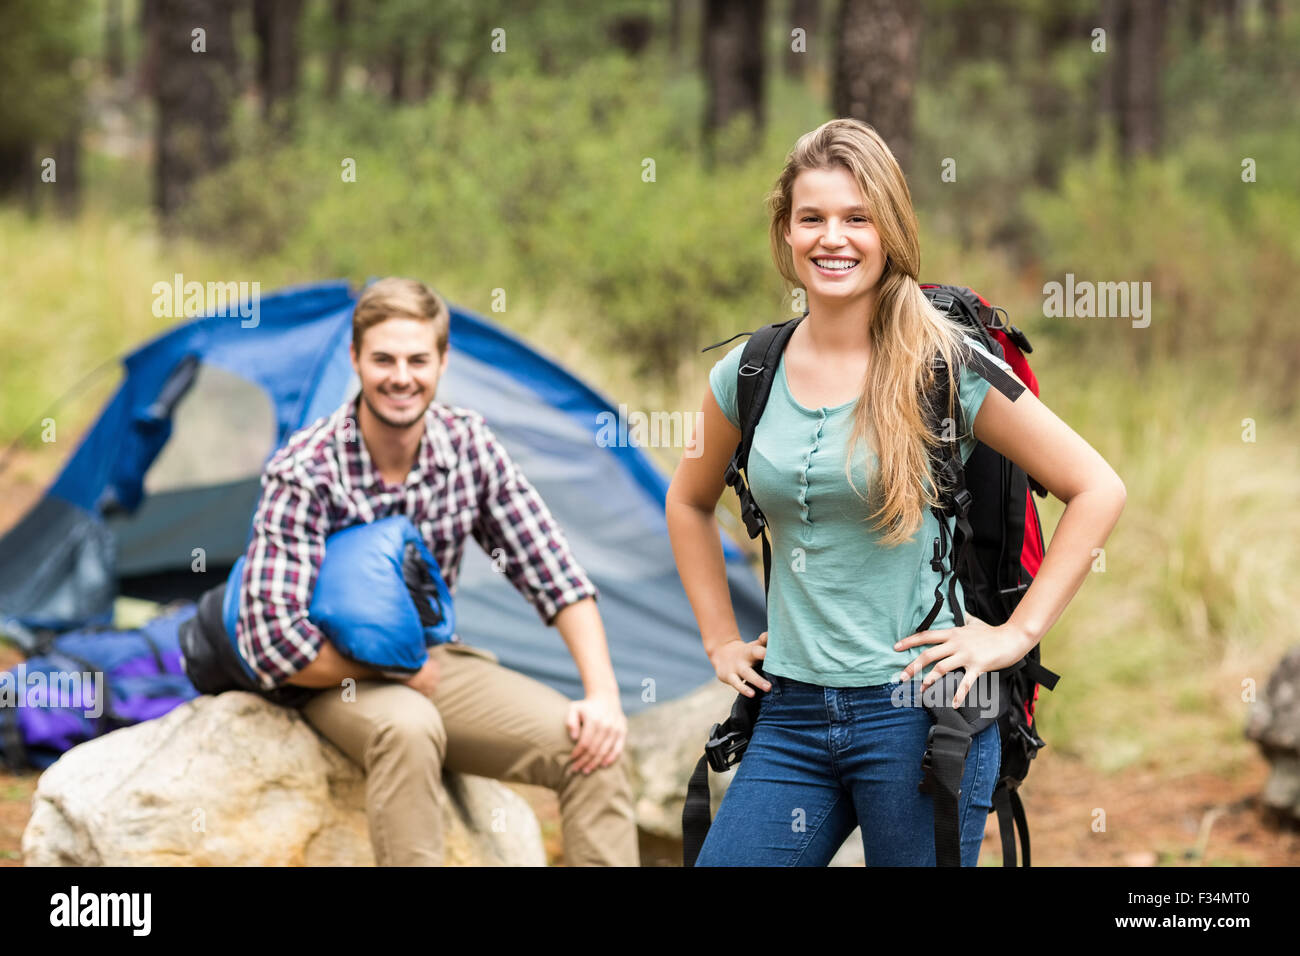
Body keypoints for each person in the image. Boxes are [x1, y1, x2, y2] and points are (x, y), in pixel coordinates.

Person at [665, 119, 1126, 866]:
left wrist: (1014, 637)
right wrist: (720, 638)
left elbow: (1097, 486)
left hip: (921, 715)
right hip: (787, 712)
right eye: (811, 218)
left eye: (857, 217)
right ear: (785, 232)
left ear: (890, 230)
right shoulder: (747, 373)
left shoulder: (948, 366)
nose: (833, 238)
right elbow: (686, 500)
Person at [234, 276, 639, 866]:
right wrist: (392, 666)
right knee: (409, 728)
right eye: (384, 359)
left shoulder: (467, 445)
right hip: (328, 678)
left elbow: (554, 572)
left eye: (418, 359)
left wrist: (603, 696)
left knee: (594, 753)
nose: (402, 376)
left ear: (443, 361)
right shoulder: (307, 470)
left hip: (428, 663)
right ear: (355, 360)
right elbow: (270, 644)